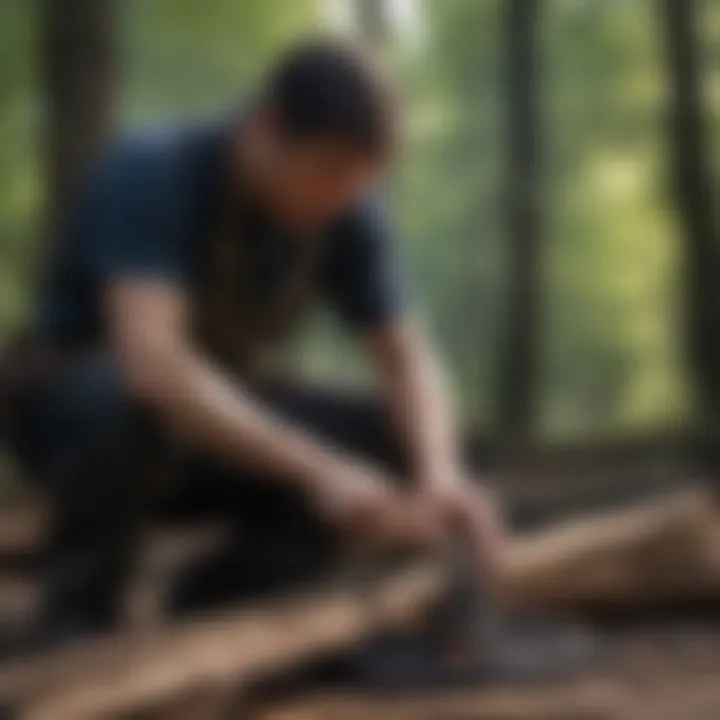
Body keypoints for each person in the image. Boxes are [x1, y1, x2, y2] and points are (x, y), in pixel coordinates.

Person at [4, 37, 504, 646]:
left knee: (428, 438)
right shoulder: (153, 168)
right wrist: (324, 470)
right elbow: (153, 365)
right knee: (126, 404)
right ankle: (79, 613)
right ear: (267, 127)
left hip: (219, 424)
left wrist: (440, 474)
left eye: (358, 178)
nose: (340, 195)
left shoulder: (348, 211)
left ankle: (222, 602)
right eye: (325, 172)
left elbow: (410, 361)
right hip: (81, 418)